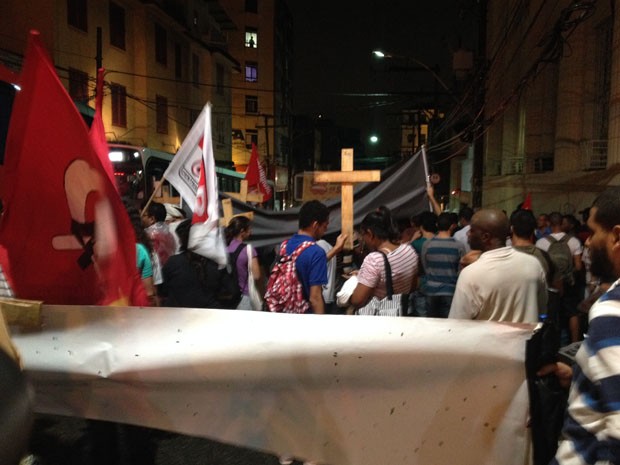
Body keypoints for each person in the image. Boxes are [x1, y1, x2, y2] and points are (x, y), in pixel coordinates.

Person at [550, 188, 620, 465]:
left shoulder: (612, 311)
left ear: (617, 235)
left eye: (593, 232)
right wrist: (584, 369)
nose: (588, 242)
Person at [448, 208, 547, 323]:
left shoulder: (471, 274)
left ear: (485, 237)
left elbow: (457, 323)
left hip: (485, 341)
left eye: (472, 230)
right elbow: (542, 309)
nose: (467, 234)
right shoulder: (533, 264)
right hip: (525, 340)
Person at [272, 200, 344, 314]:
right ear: (315, 225)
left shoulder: (284, 245)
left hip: (283, 314)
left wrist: (335, 249)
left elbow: (306, 265)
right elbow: (315, 298)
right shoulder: (316, 252)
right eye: (324, 227)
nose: (325, 231)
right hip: (304, 317)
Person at [350, 206, 418, 311]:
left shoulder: (374, 260)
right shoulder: (409, 251)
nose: (363, 240)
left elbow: (357, 300)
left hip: (380, 318)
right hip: (401, 311)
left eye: (363, 235)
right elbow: (413, 286)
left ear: (370, 233)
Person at [536, 211, 584, 342]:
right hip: (569, 282)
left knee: (551, 313)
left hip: (551, 284)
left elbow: (541, 266)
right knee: (572, 313)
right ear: (562, 223)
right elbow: (579, 267)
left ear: (548, 224)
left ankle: (550, 342)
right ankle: (574, 343)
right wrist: (567, 274)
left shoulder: (541, 242)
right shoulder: (574, 241)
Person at [161, 219, 224, 308]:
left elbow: (163, 290)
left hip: (178, 316)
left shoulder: (173, 262)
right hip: (209, 315)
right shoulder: (216, 263)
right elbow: (228, 291)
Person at [421, 212, 465, 318]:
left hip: (431, 290)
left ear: (437, 225)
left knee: (431, 324)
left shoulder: (427, 244)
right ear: (452, 226)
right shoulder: (459, 246)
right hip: (450, 291)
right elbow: (461, 270)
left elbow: (424, 265)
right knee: (447, 326)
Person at [225, 216, 264, 310]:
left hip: (229, 297)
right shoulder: (248, 249)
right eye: (249, 229)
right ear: (242, 231)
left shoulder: (225, 249)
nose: (251, 232)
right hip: (244, 297)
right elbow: (257, 275)